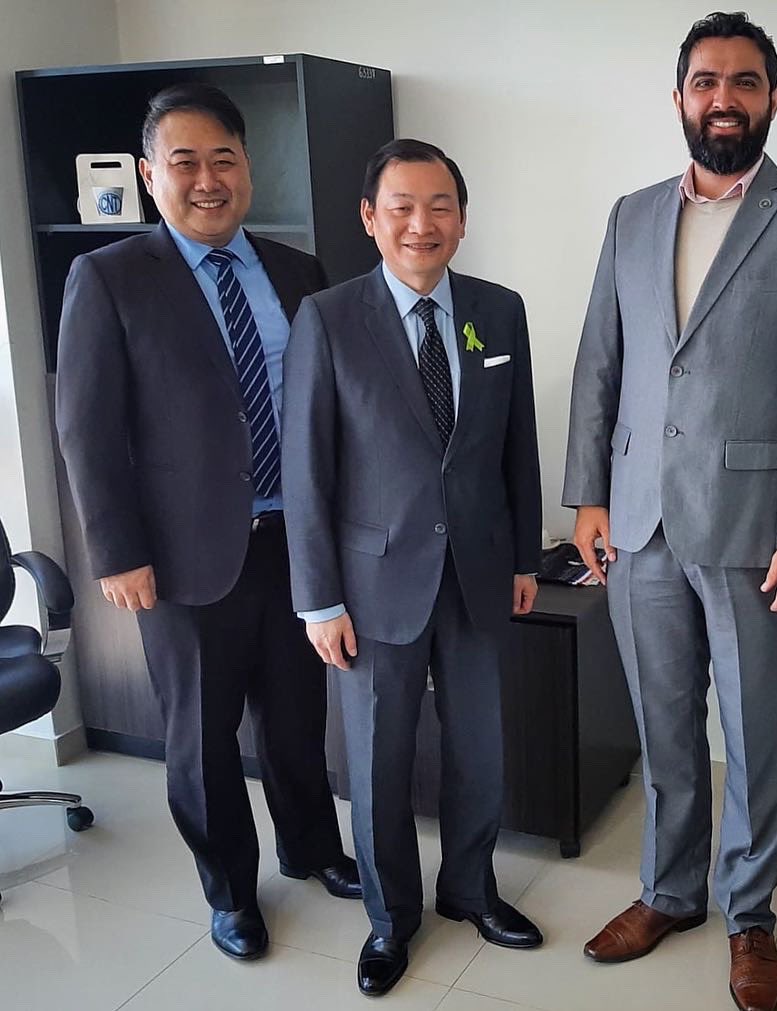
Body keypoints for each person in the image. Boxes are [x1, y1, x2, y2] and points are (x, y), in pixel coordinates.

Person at [562, 12, 777, 1011]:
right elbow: (599, 361)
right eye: (705, 82)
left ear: (773, 98)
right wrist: (587, 498)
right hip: (640, 521)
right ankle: (669, 892)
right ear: (681, 97)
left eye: (744, 82)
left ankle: (749, 916)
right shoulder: (632, 214)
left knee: (754, 730)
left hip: (756, 530)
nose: (723, 99)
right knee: (663, 728)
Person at [56, 82, 359, 963]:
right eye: (183, 161)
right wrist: (117, 550)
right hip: (184, 558)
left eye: (222, 158)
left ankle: (311, 849)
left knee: (298, 719)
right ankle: (230, 890)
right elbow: (87, 425)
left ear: (247, 169)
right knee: (201, 737)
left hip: (293, 546)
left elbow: (325, 413)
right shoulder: (108, 276)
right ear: (151, 176)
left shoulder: (297, 270)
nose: (206, 178)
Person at [281, 139, 544, 997]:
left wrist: (523, 558)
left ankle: (471, 887)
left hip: (476, 574)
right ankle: (392, 919)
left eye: (439, 206)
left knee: (479, 752)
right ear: (370, 218)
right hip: (370, 585)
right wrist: (318, 597)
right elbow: (307, 472)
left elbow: (517, 451)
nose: (420, 224)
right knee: (379, 762)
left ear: (462, 221)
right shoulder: (327, 318)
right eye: (401, 206)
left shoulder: (499, 313)